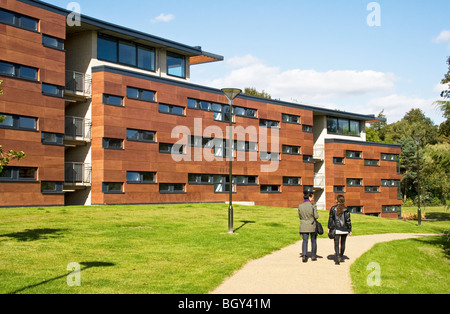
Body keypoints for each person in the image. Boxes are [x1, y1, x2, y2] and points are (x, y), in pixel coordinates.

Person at [327, 195, 352, 265]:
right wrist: (349, 230)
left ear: (336, 200)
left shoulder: (333, 208)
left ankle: (337, 256)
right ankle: (341, 256)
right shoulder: (346, 209)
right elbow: (348, 220)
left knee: (336, 243)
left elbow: (331, 219)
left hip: (336, 228)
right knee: (343, 243)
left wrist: (329, 227)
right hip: (344, 229)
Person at [298, 191, 319, 263]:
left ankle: (304, 255)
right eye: (312, 197)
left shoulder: (300, 206)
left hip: (303, 225)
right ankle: (313, 256)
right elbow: (316, 216)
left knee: (305, 241)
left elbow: (300, 217)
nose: (312, 198)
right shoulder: (313, 206)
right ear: (309, 197)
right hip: (312, 225)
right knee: (313, 240)